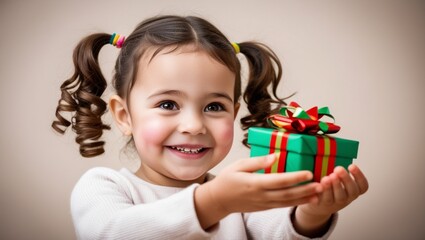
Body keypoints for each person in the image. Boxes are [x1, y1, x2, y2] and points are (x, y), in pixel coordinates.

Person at [52, 15, 368, 239]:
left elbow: (278, 233)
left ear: (233, 113)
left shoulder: (240, 194)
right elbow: (112, 233)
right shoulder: (104, 187)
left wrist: (313, 213)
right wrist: (213, 202)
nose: (193, 125)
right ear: (124, 116)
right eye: (167, 104)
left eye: (214, 107)